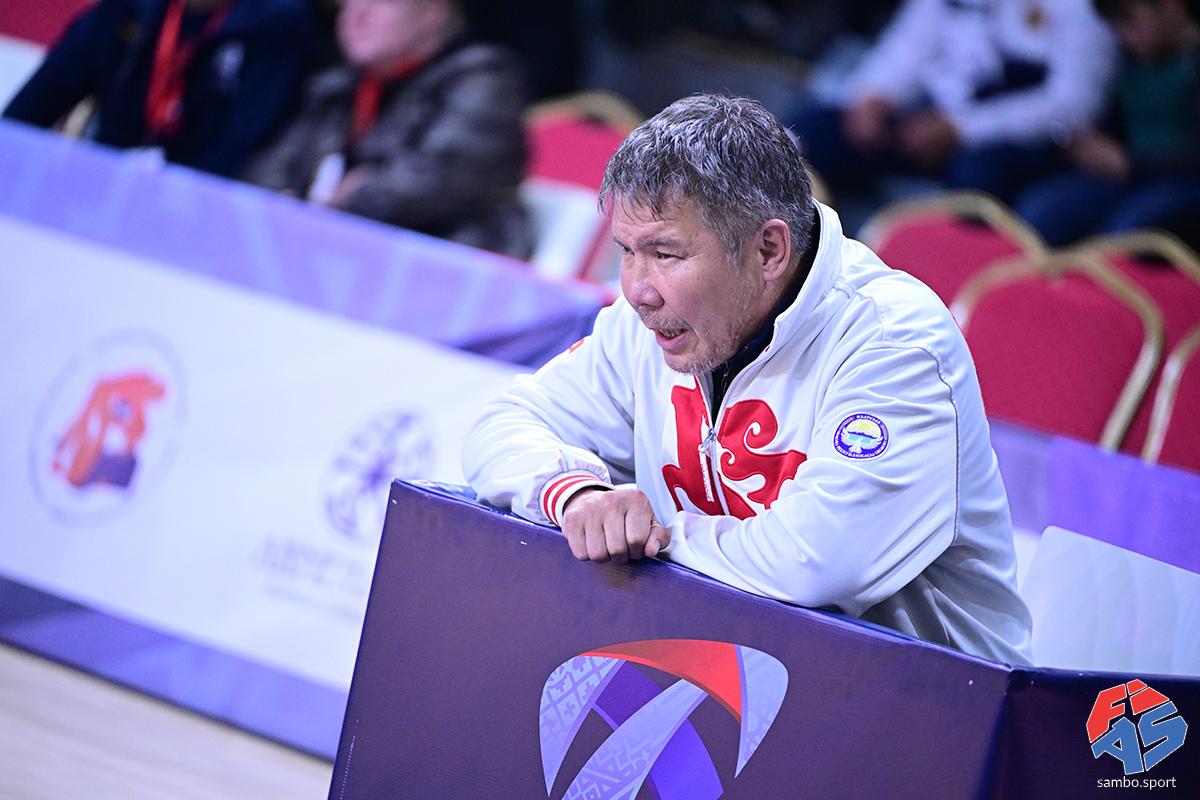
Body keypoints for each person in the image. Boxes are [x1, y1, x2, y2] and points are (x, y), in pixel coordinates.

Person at [463, 94, 1032, 665]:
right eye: (626, 251)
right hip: (722, 665)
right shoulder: (650, 321)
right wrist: (577, 495)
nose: (637, 289)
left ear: (768, 250)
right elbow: (503, 424)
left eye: (665, 254)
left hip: (936, 698)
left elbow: (812, 564)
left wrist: (642, 534)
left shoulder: (894, 342)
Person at [242, 0, 532, 259]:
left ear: (431, 14)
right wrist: (285, 206)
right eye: (347, 4)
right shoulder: (336, 87)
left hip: (443, 265)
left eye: (379, 3)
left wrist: (333, 206)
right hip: (327, 258)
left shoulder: (484, 80)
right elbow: (266, 171)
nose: (356, 15)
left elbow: (431, 183)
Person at [790, 0, 1117, 208]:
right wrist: (874, 95)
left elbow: (1074, 102)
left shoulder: (1078, 8)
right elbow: (912, 42)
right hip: (929, 115)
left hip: (1013, 138)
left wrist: (961, 129)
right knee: (813, 131)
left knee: (978, 177)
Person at [2, 0, 324, 178]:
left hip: (199, 223)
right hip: (99, 190)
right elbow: (34, 105)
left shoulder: (280, 29)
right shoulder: (128, 11)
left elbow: (242, 149)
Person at [1014, 0, 1200, 247]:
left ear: (1171, 7)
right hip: (1125, 177)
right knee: (1039, 211)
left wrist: (1129, 163)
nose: (1123, 35)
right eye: (1115, 25)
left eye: (1129, 21)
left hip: (1180, 180)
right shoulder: (1126, 59)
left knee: (1124, 236)